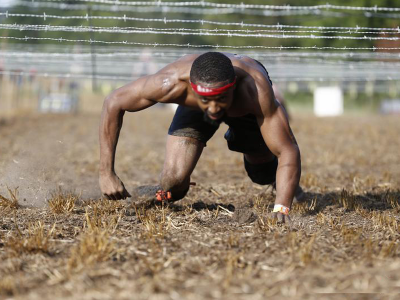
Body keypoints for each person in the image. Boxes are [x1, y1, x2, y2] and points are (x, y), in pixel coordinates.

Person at [99, 52, 303, 223]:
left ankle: (241, 139)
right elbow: (113, 102)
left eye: (221, 99)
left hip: (244, 113)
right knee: (173, 183)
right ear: (192, 87)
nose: (214, 107)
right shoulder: (170, 83)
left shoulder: (255, 92)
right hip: (195, 110)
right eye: (207, 99)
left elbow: (287, 150)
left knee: (260, 174)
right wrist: (106, 173)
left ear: (232, 87)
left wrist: (282, 207)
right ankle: (163, 192)